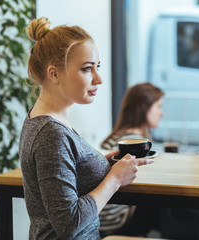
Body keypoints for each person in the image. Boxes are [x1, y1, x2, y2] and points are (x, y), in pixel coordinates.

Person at [19, 17, 154, 240]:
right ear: (54, 74)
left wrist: (106, 163)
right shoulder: (51, 134)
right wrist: (115, 180)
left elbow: (69, 172)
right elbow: (69, 224)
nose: (98, 79)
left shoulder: (42, 121)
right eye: (86, 69)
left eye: (97, 67)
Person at [99, 82, 164, 237]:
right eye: (159, 107)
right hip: (117, 219)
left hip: (100, 216)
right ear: (144, 108)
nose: (162, 113)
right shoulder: (136, 143)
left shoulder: (115, 137)